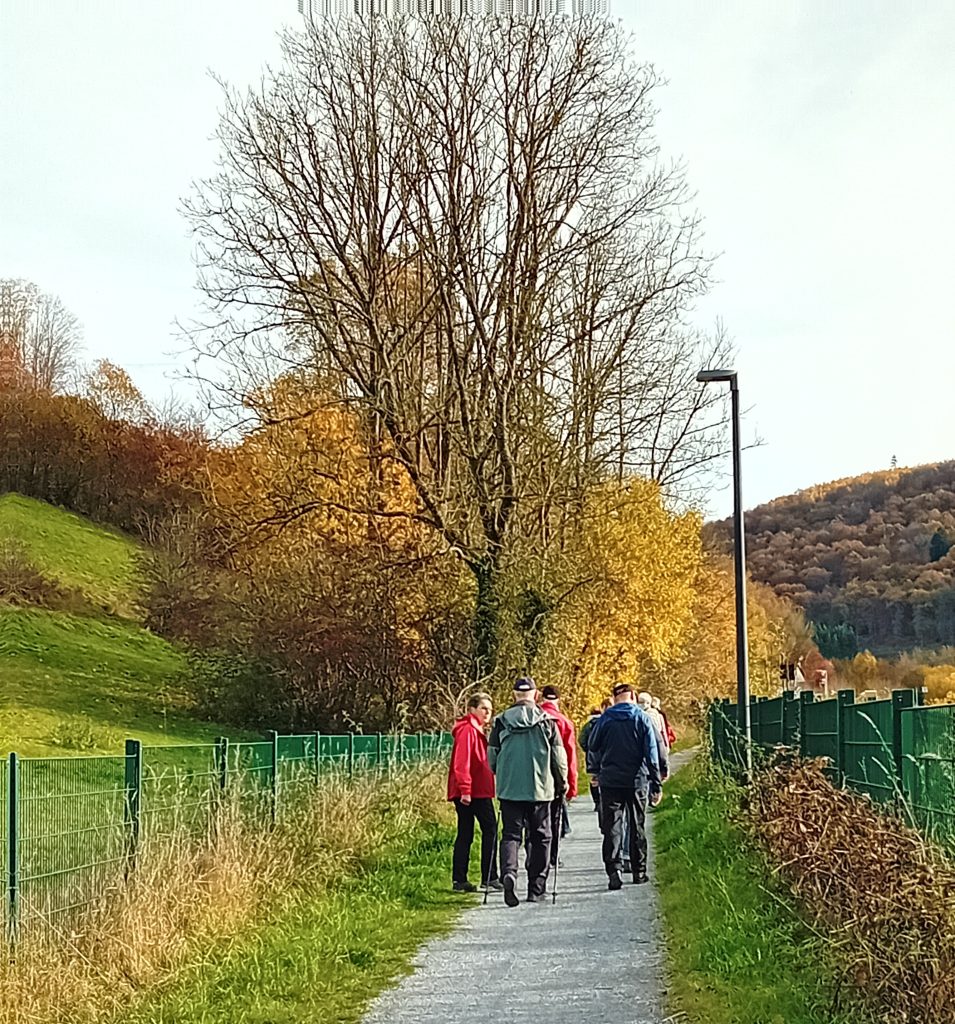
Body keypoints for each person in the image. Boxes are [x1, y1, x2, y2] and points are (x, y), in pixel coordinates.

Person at [488, 677, 568, 907]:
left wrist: (501, 773)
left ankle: (509, 873)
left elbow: (491, 757)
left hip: (510, 789)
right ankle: (536, 888)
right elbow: (559, 758)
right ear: (534, 695)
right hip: (541, 790)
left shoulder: (501, 722)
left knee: (511, 835)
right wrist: (562, 783)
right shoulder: (548, 722)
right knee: (542, 837)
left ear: (514, 695)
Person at [587, 683, 663, 890]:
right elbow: (652, 752)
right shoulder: (641, 718)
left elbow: (592, 745)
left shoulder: (605, 719)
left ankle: (614, 870)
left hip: (610, 779)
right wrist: (656, 783)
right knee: (636, 824)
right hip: (637, 779)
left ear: (614, 698)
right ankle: (639, 872)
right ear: (634, 696)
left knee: (612, 826)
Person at [447, 692, 502, 893]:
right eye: (483, 708)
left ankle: (461, 879)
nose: (488, 713)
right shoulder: (468, 731)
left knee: (467, 832)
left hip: (475, 789)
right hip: (473, 791)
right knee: (489, 829)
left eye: (490, 709)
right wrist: (466, 789)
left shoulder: (477, 730)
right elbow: (462, 762)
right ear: (472, 709)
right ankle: (488, 876)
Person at [538, 684, 578, 871]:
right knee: (554, 819)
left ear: (541, 698)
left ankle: (533, 855)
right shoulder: (564, 722)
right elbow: (569, 757)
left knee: (534, 819)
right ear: (558, 700)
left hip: (536, 776)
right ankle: (552, 857)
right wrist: (572, 784)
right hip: (555, 778)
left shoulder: (534, 718)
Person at [579, 700, 609, 813]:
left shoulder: (588, 725)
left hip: (591, 756)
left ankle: (596, 801)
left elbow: (581, 739)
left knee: (594, 779)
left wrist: (587, 749)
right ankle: (604, 800)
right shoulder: (605, 722)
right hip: (605, 755)